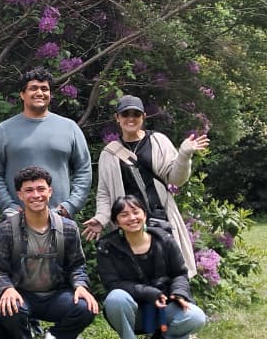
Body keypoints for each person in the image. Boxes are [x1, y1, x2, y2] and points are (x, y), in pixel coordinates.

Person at [83, 95, 210, 283]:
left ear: (143, 117)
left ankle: (178, 308)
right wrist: (101, 218)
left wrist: (184, 155)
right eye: (125, 114)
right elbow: (104, 193)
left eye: (136, 114)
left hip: (161, 219)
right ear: (117, 118)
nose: (130, 119)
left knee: (171, 275)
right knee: (137, 278)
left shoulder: (158, 141)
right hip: (129, 224)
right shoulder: (109, 153)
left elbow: (177, 179)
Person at [0, 166, 97, 339]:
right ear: (20, 195)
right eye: (29, 190)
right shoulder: (6, 229)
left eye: (41, 189)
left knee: (85, 307)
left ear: (50, 191)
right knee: (11, 306)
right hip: (23, 295)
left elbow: (77, 265)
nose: (36, 195)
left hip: (56, 295)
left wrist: (80, 286)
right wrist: (7, 289)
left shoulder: (68, 228)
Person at [96, 195, 208, 339]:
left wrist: (178, 294)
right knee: (115, 297)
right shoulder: (107, 247)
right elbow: (112, 284)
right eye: (124, 215)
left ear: (145, 215)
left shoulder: (165, 240)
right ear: (116, 222)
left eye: (136, 212)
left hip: (165, 307)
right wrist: (150, 293)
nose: (132, 218)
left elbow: (180, 273)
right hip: (133, 310)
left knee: (197, 317)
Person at [0, 68, 92, 219]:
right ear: (22, 94)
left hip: (60, 218)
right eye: (33, 88)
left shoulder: (70, 128)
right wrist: (8, 205)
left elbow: (84, 170)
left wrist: (70, 206)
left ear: (51, 94)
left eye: (44, 89)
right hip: (17, 219)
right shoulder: (4, 130)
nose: (40, 93)